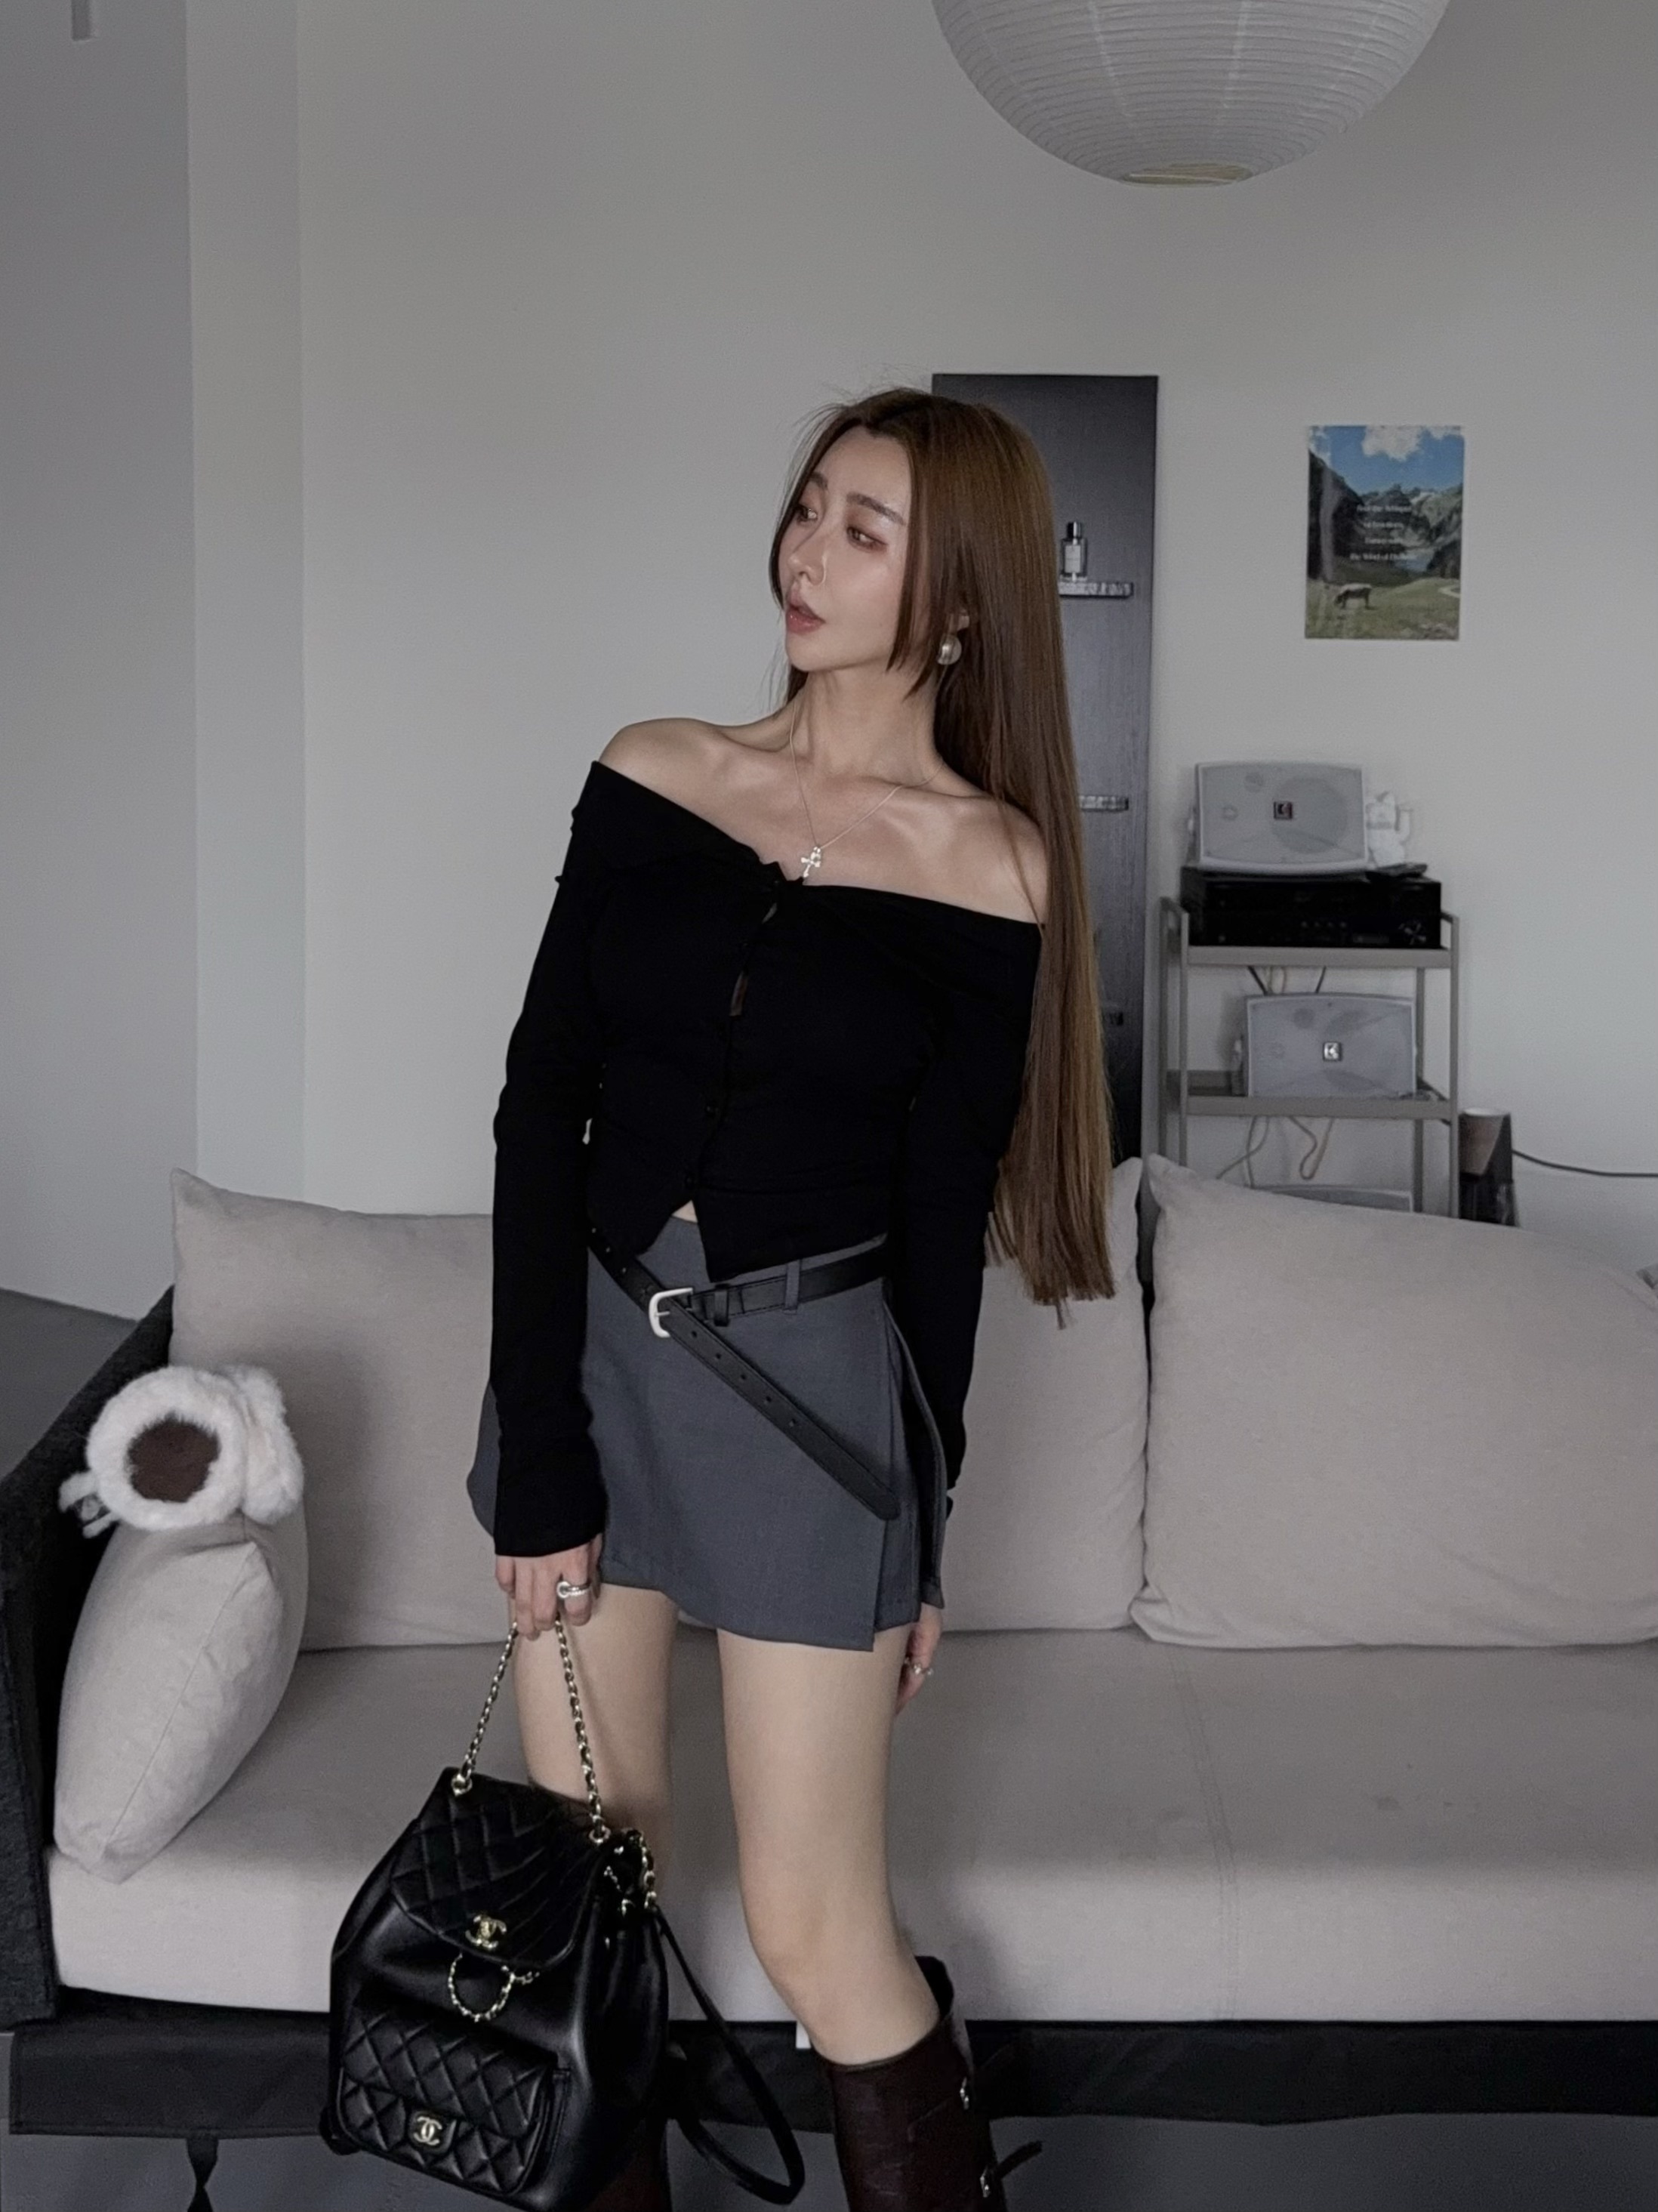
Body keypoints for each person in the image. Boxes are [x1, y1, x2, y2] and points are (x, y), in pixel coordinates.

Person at [486, 385, 1118, 2210]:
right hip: (592, 1365)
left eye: (865, 530)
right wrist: (541, 1447)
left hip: (817, 1404)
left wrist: (924, 1527)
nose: (807, 552)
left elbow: (937, 1219)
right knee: (591, 1899)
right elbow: (541, 1105)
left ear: (963, 598)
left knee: (815, 1918)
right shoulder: (653, 771)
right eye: (808, 506)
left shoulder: (994, 863)